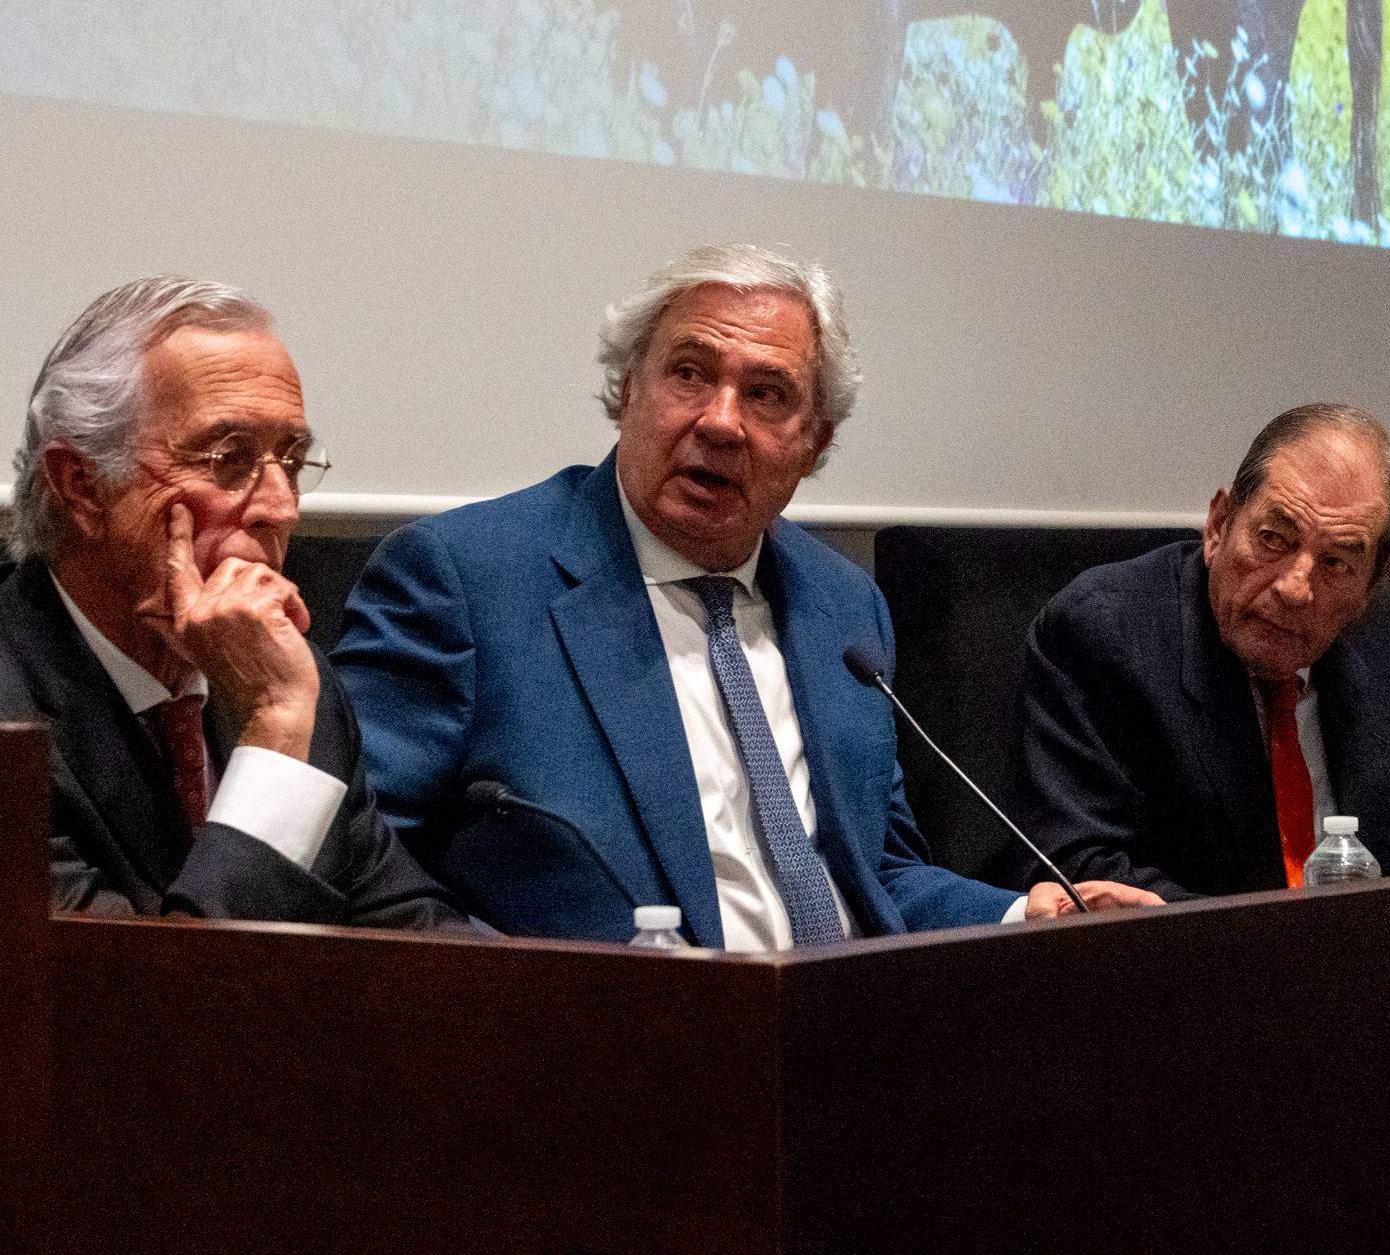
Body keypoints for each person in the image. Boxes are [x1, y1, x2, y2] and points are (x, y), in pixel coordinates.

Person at [333, 243, 1159, 947]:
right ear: (627, 391)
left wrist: (1024, 913)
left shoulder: (844, 606)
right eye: (689, 374)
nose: (721, 422)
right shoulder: (466, 579)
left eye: (766, 394)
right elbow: (357, 861)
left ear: (814, 443)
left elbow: (874, 874)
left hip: (840, 1036)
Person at [2, 276, 467, 926]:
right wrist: (275, 732)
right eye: (228, 458)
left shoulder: (291, 676)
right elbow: (156, 987)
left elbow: (415, 935)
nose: (281, 508)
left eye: (292, 461)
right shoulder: (282, 697)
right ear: (82, 486)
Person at [1014, 403, 1390, 900]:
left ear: (1375, 583)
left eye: (1335, 563)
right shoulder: (1107, 632)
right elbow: (1079, 863)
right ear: (1218, 525)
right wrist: (1268, 940)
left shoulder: (1388, 633)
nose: (1295, 588)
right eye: (1273, 539)